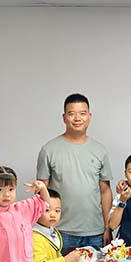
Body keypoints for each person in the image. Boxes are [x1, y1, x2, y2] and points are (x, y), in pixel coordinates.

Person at [37, 94, 113, 250]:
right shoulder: (49, 150)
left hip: (95, 232)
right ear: (64, 118)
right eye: (72, 113)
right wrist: (45, 230)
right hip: (60, 231)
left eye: (82, 113)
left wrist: (108, 227)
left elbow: (105, 191)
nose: (77, 118)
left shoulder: (100, 150)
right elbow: (41, 192)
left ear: (89, 117)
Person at [23, 189, 84, 262]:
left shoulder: (53, 231)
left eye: (57, 211)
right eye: (47, 210)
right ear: (36, 210)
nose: (53, 214)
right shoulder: (33, 236)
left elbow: (55, 255)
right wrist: (66, 260)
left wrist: (72, 261)